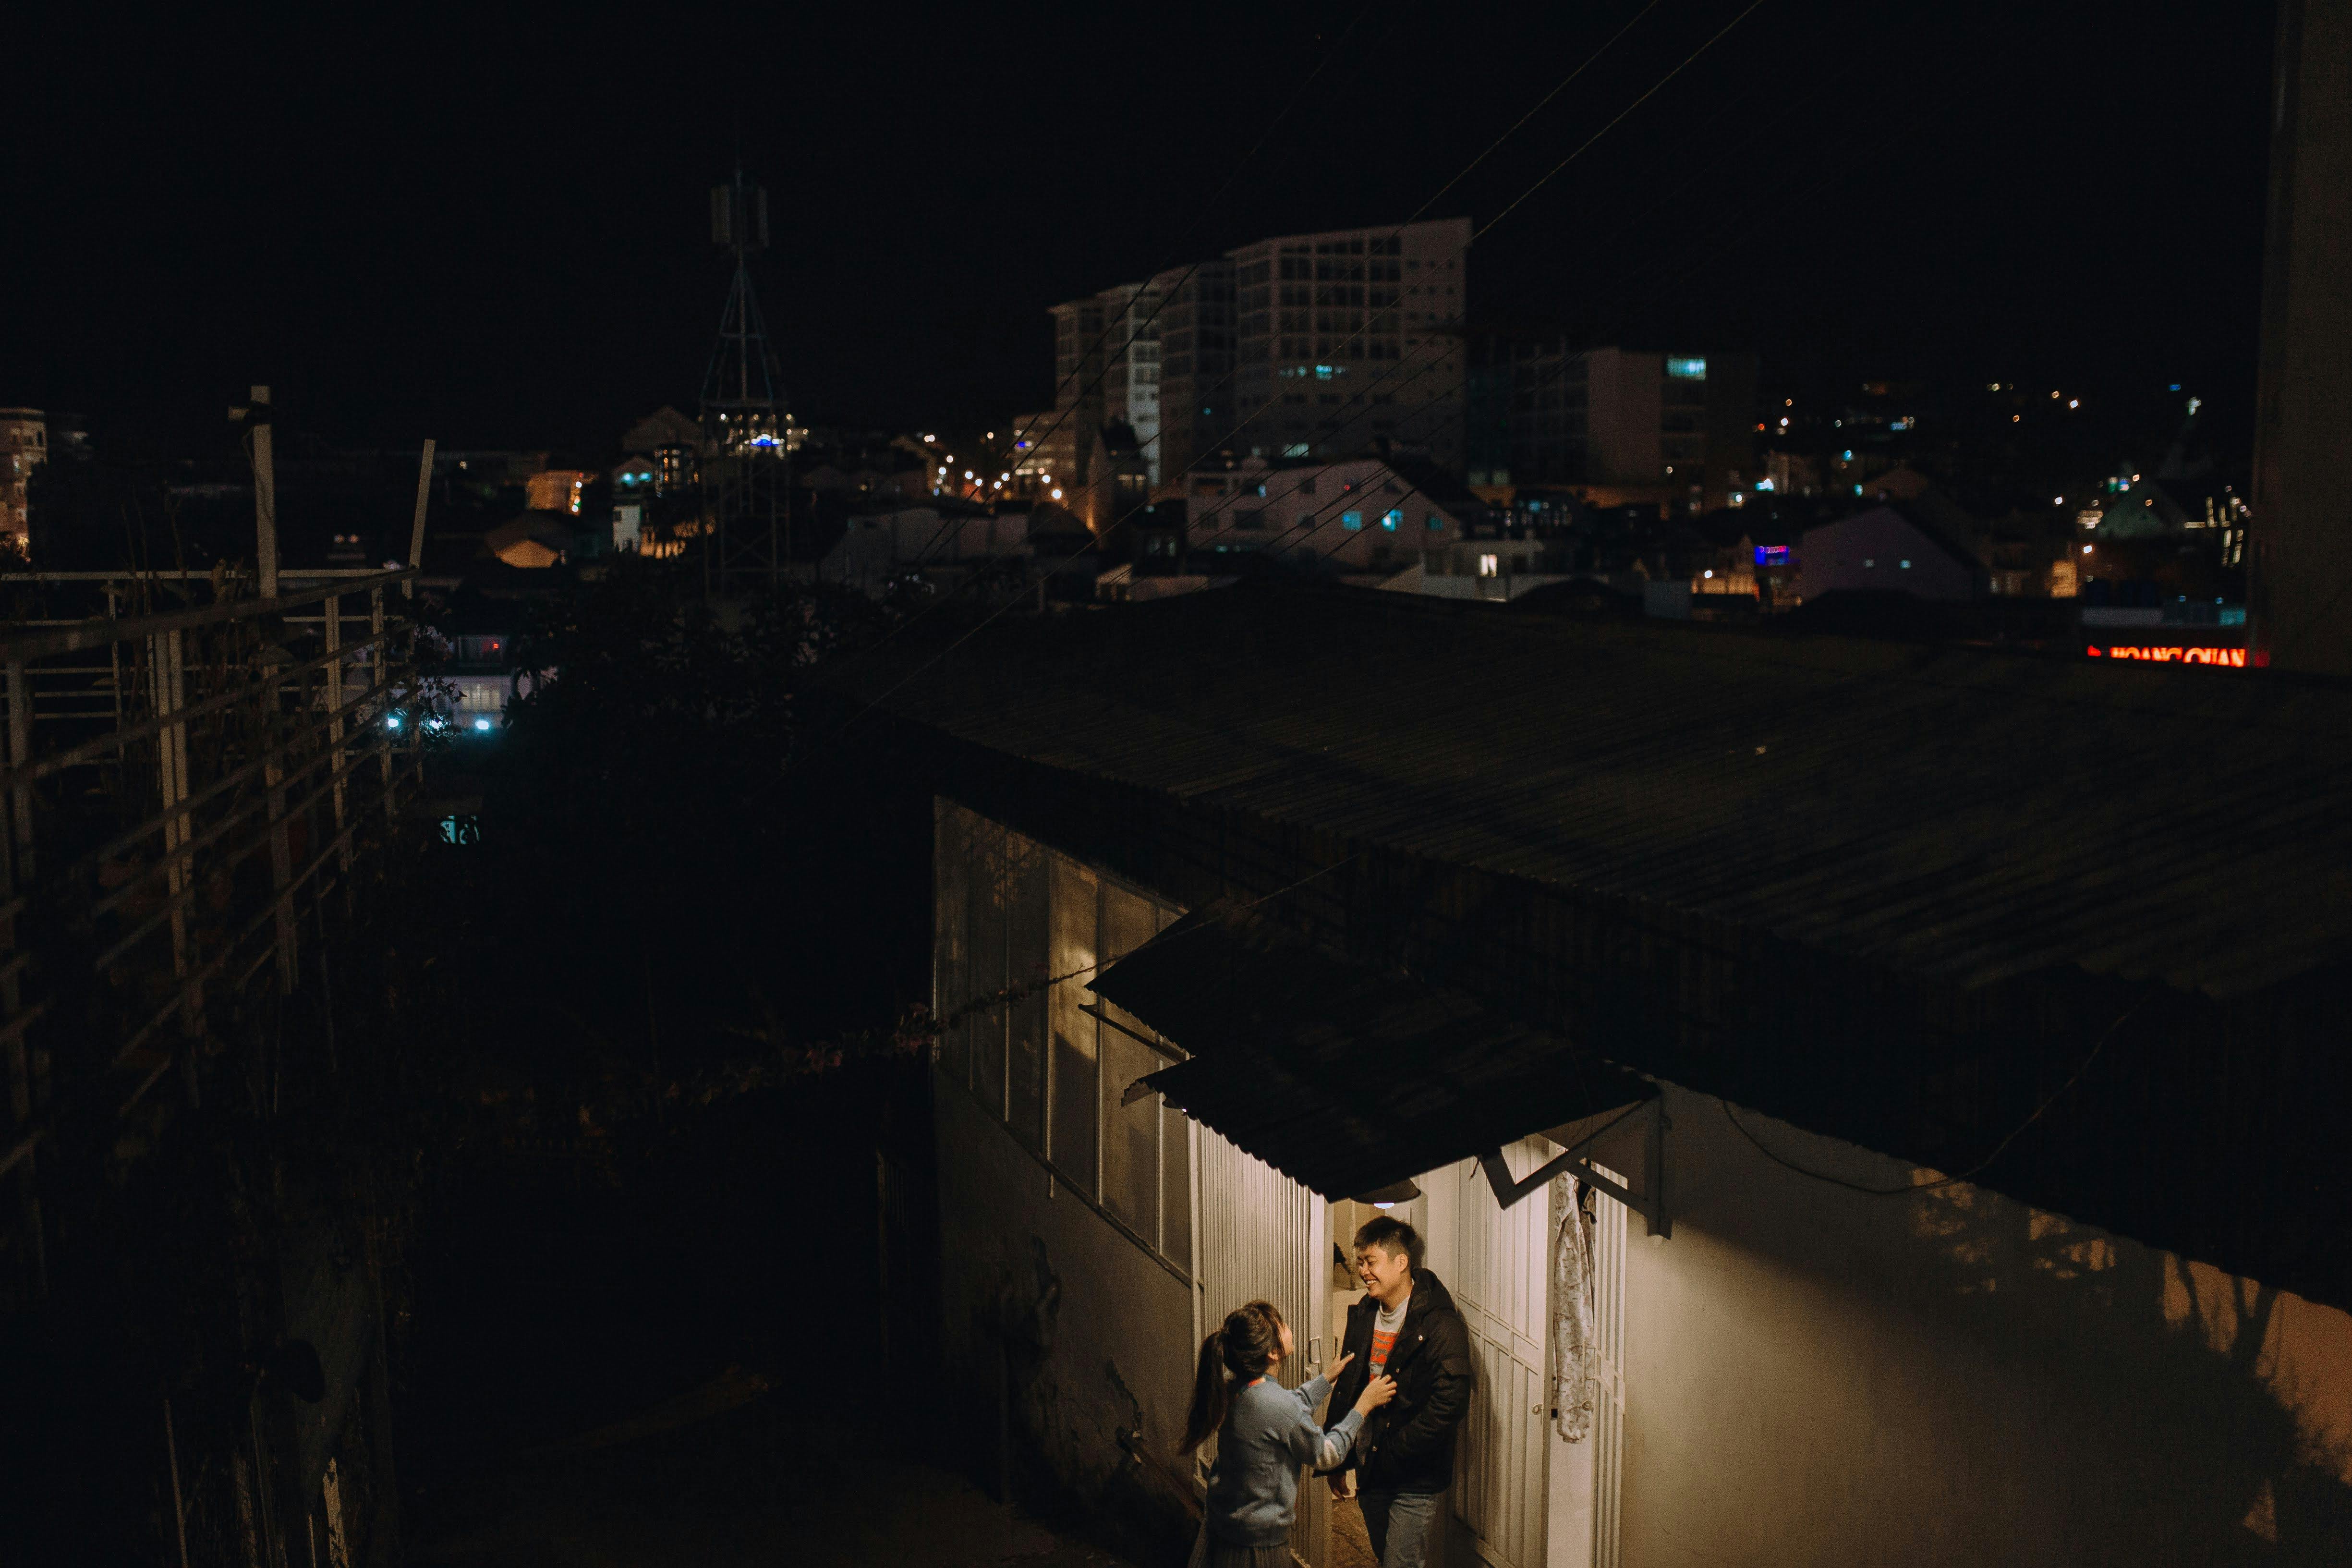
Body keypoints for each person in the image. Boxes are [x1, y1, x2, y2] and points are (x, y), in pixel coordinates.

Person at [1182, 1299, 1397, 1568]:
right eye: (1283, 1325)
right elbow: (1327, 1455)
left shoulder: (1241, 1388)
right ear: (1273, 1352)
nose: (1289, 1327)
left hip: (1226, 1528)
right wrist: (1363, 1406)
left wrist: (1327, 1379)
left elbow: (1286, 1408)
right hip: (1256, 1547)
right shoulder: (1274, 1404)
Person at [1322, 1216, 1473, 1568]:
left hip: (1415, 1475)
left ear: (1401, 1262)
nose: (1363, 1271)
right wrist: (1340, 1455)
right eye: (1360, 1262)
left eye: (1370, 1261)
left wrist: (1398, 1449)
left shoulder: (1439, 1322)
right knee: (1386, 1557)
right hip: (1371, 1467)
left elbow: (1450, 1402)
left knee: (1400, 1563)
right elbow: (1350, 1388)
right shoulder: (1364, 1312)